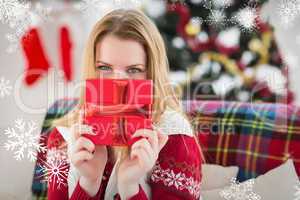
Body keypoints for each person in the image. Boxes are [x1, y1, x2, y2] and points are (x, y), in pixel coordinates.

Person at [46, 8, 203, 200]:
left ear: (151, 74)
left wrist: (130, 188)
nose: (117, 83)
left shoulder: (175, 138)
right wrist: (88, 184)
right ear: (92, 69)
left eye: (133, 70)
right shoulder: (63, 138)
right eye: (104, 67)